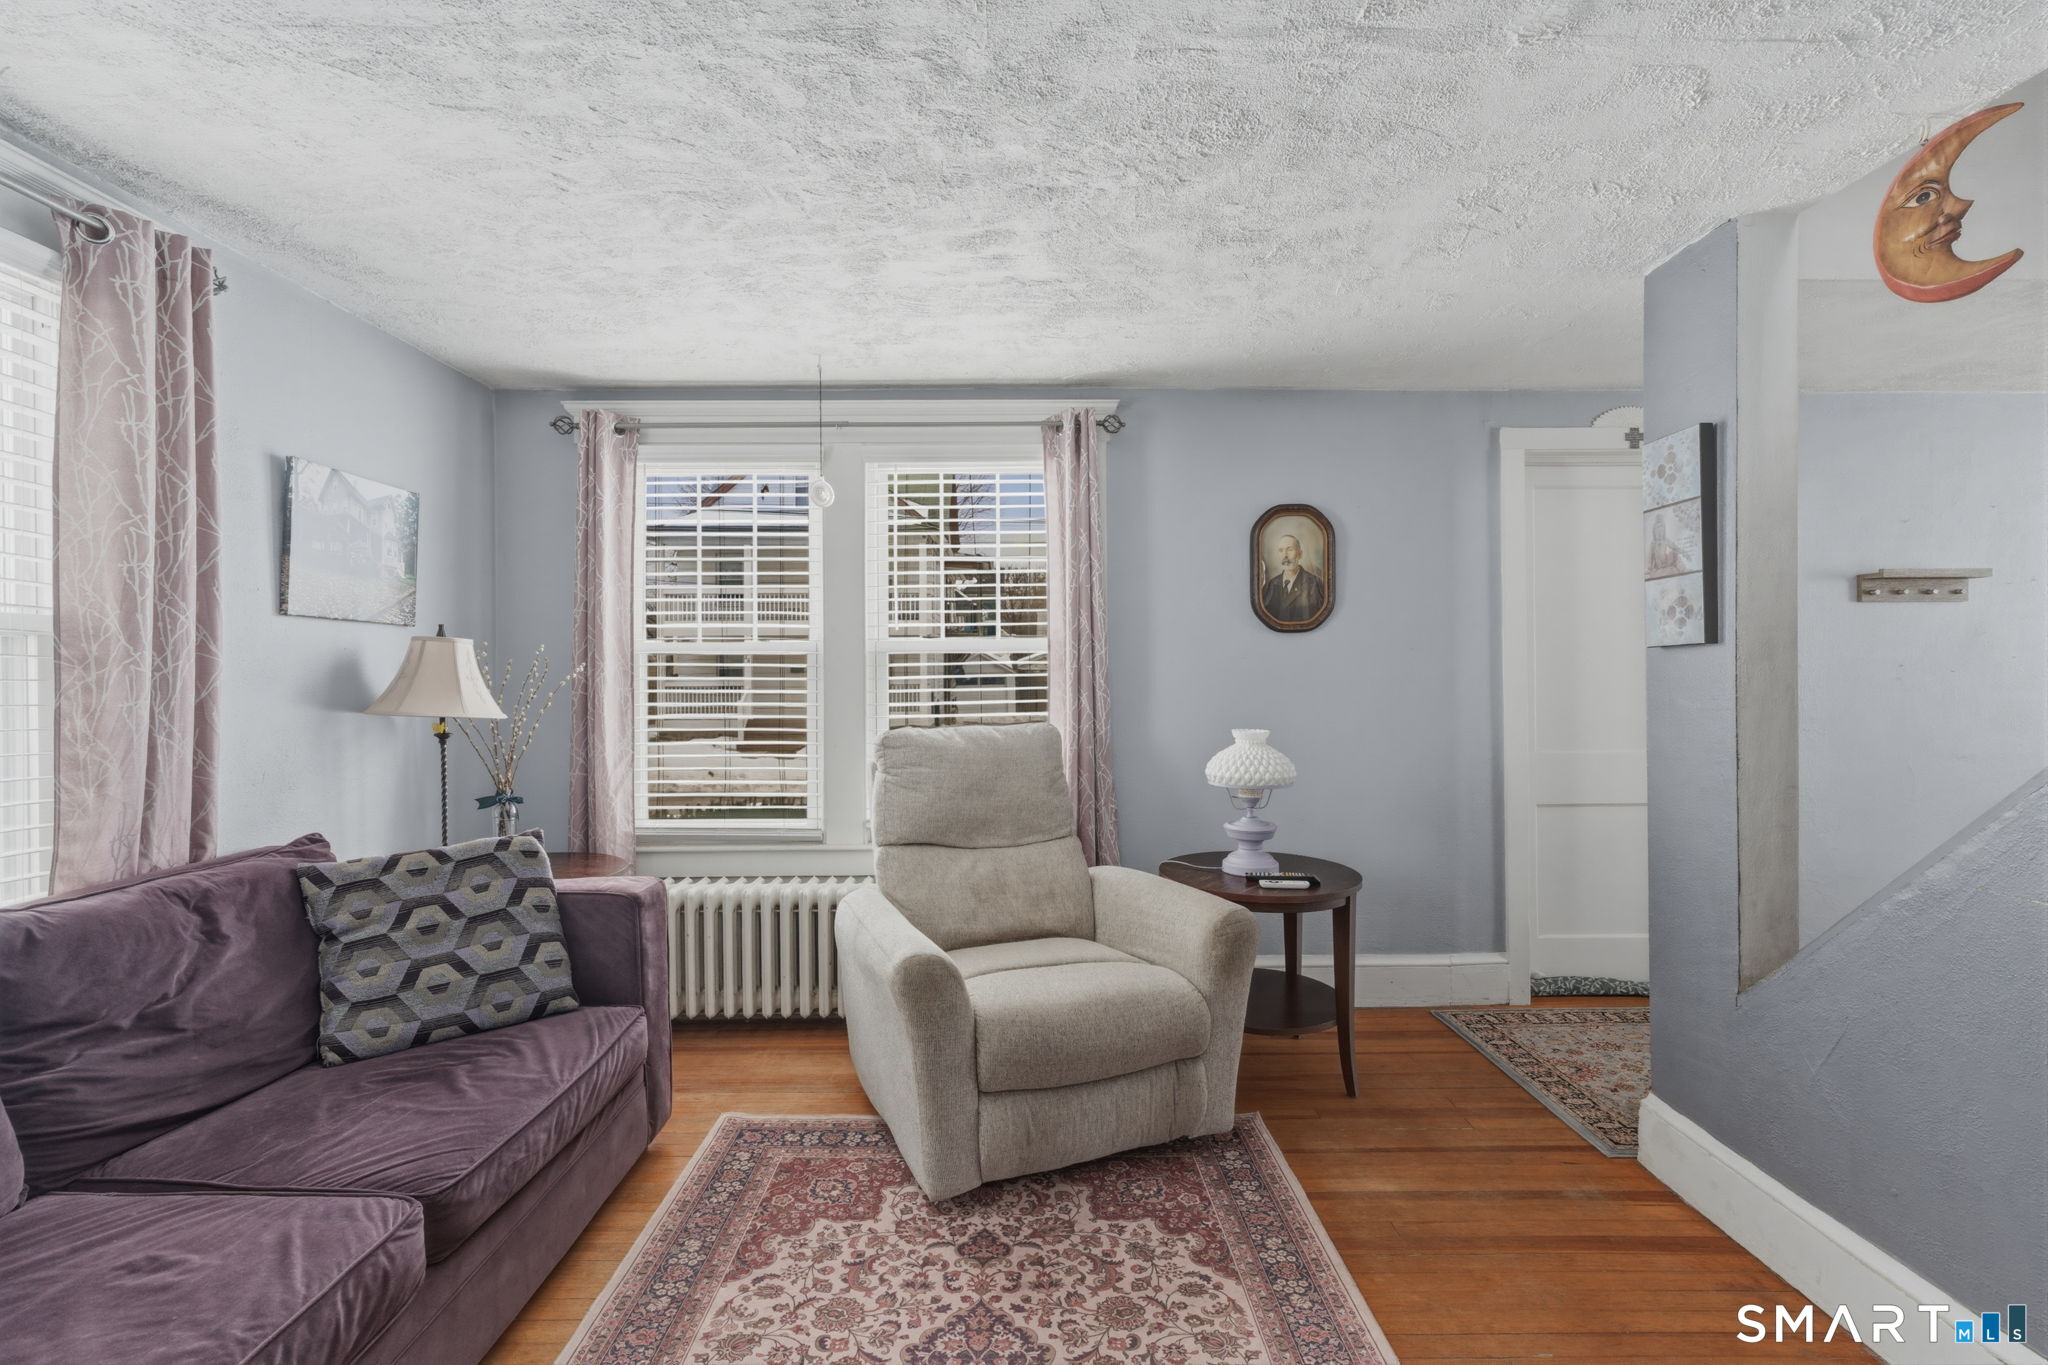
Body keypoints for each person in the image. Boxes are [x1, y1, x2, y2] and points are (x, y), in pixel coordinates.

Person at [1261, 534, 1326, 623]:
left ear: (1300, 554)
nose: (1285, 556)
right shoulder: (1272, 584)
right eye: (1281, 550)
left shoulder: (1314, 583)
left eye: (1290, 550)